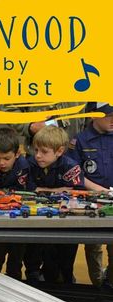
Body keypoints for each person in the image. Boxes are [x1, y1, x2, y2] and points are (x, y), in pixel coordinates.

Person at [27, 125, 85, 283]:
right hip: (40, 222)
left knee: (65, 264)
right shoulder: (31, 163)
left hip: (66, 225)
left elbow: (75, 194)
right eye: (36, 150)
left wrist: (42, 191)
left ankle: (66, 284)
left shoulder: (71, 167)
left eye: (44, 152)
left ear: (59, 151)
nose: (38, 156)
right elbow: (29, 189)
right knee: (42, 262)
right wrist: (58, 190)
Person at [67, 102, 113, 288]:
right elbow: (75, 174)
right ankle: (97, 283)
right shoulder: (79, 141)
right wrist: (99, 190)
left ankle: (110, 282)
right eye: (109, 116)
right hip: (90, 200)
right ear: (94, 116)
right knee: (93, 245)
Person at [0, 127, 32, 280]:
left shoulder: (23, 166)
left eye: (6, 158)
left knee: (15, 262)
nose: (1, 163)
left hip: (18, 220)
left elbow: (21, 194)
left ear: (17, 154)